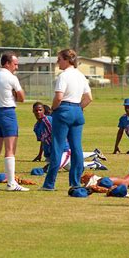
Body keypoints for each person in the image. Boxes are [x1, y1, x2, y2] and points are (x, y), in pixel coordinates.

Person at [41, 49, 93, 193]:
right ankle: (75, 182)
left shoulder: (63, 76)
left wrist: (53, 109)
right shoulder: (81, 76)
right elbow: (89, 98)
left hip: (63, 110)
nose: (58, 62)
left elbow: (59, 97)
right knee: (77, 148)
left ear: (66, 60)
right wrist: (78, 109)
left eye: (59, 59)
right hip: (77, 111)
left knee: (57, 147)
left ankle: (49, 184)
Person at [0, 51, 27, 192]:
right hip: (8, 113)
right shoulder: (11, 77)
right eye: (15, 64)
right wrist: (13, 94)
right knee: (10, 150)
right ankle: (11, 183)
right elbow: (22, 97)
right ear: (7, 63)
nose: (16, 67)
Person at [32, 101, 107, 171]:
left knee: (53, 167)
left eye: (40, 110)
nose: (38, 112)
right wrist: (40, 155)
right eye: (36, 110)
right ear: (33, 112)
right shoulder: (36, 127)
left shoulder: (48, 120)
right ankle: (95, 164)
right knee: (71, 167)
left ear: (44, 111)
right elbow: (43, 142)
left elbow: (59, 135)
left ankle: (94, 154)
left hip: (63, 150)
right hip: (52, 153)